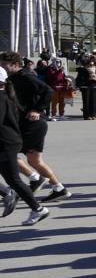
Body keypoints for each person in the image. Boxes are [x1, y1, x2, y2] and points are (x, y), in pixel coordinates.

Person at [0, 51, 70, 211]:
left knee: (8, 154)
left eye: (4, 64)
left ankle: (35, 179)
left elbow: (48, 91)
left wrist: (37, 109)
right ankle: (58, 188)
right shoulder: (12, 78)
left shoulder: (25, 76)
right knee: (33, 161)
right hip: (26, 123)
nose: (2, 67)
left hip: (33, 123)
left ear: (15, 64)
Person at [0, 67, 45, 224]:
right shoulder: (7, 96)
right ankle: (8, 193)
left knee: (14, 180)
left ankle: (38, 209)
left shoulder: (1, 98)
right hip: (8, 141)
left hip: (5, 143)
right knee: (13, 180)